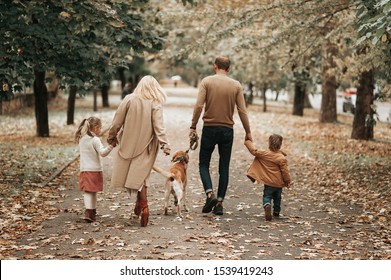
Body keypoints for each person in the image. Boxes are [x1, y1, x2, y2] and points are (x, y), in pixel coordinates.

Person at [190, 56, 252, 216]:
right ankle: (219, 204)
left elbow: (198, 106)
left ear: (214, 66)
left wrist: (193, 125)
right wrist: (248, 131)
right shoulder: (236, 85)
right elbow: (242, 110)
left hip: (209, 128)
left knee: (203, 163)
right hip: (227, 130)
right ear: (229, 69)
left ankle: (210, 194)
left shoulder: (206, 82)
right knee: (223, 167)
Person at [107, 75, 171, 227]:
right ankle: (143, 206)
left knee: (138, 174)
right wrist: (164, 144)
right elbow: (159, 126)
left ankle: (141, 204)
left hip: (129, 143)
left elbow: (117, 120)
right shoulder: (155, 102)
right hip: (147, 145)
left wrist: (112, 136)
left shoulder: (129, 99)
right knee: (142, 174)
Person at [75, 117, 115, 222]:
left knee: (88, 192)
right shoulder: (95, 140)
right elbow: (103, 153)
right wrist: (111, 146)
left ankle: (90, 212)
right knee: (93, 192)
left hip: (84, 169)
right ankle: (91, 212)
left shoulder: (81, 139)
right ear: (96, 128)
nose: (101, 130)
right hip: (95, 169)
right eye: (100, 128)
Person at [244, 134, 291, 221]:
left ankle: (267, 205)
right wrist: (288, 181)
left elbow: (254, 151)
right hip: (278, 184)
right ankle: (276, 212)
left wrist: (247, 142)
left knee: (267, 196)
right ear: (280, 145)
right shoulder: (281, 158)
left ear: (269, 144)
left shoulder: (264, 154)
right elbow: (285, 172)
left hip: (268, 183)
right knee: (278, 198)